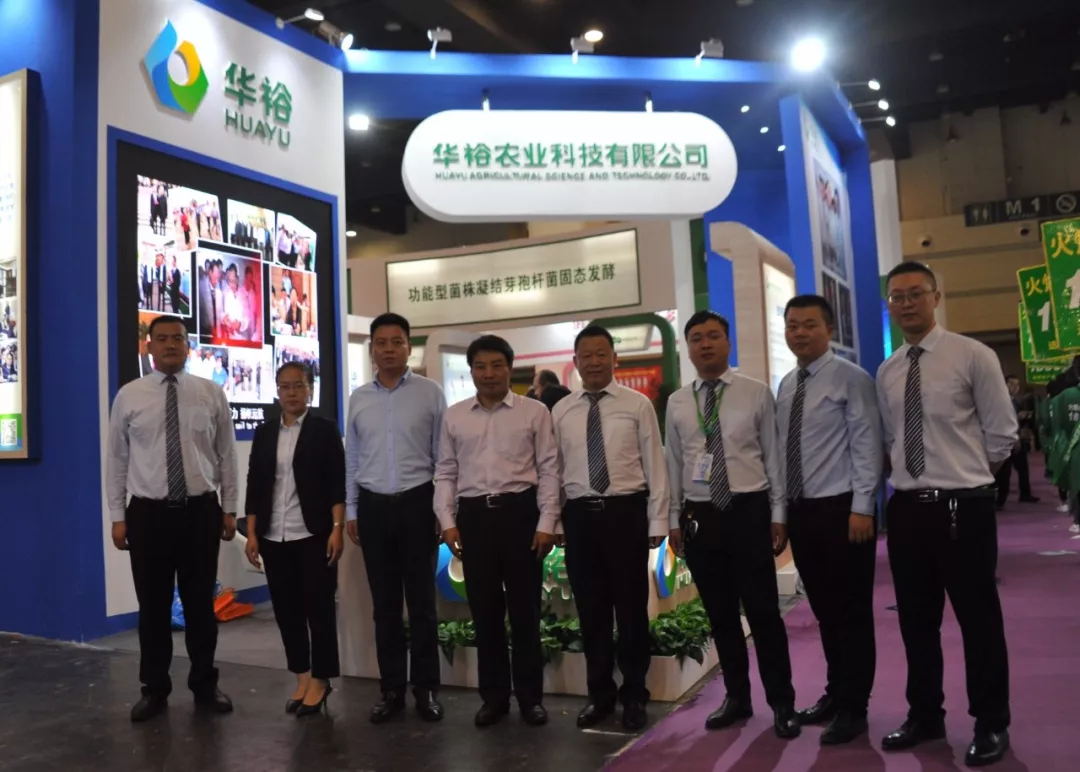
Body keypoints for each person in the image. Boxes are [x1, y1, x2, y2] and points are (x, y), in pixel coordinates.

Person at [876, 261, 1016, 766]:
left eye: (916, 293)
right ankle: (925, 714)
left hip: (963, 508)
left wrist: (967, 478)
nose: (906, 303)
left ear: (936, 297)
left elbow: (1002, 435)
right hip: (907, 510)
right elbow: (891, 440)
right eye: (897, 296)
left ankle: (991, 722)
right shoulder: (888, 371)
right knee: (916, 622)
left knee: (979, 621)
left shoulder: (972, 355)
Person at [665, 310, 800, 739]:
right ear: (688, 348)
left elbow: (774, 457)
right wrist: (672, 519)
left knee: (763, 613)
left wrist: (778, 514)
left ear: (728, 341)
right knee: (720, 614)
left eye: (713, 336)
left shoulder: (755, 393)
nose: (705, 344)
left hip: (748, 511)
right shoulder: (677, 401)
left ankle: (782, 702)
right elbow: (674, 463)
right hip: (700, 516)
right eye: (697, 338)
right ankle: (737, 698)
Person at [106, 315, 238, 722]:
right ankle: (154, 688)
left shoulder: (210, 393)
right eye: (161, 339)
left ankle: (205, 684)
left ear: (187, 345)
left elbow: (227, 455)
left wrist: (230, 508)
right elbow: (116, 459)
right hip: (147, 515)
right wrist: (117, 515)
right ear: (148, 346)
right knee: (153, 606)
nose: (169, 345)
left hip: (200, 511)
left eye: (177, 339)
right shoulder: (129, 396)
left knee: (200, 605)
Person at [434, 335, 559, 728]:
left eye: (496, 365)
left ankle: (530, 699)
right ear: (471, 371)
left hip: (521, 515)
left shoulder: (535, 412)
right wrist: (448, 521)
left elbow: (550, 469)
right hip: (474, 519)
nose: (488, 373)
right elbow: (445, 472)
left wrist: (547, 522)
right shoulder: (455, 416)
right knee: (485, 614)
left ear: (510, 368)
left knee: (525, 614)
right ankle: (494, 698)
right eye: (480, 367)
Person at [550, 325, 669, 732]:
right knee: (592, 611)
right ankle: (600, 694)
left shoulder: (637, 405)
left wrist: (658, 519)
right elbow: (555, 472)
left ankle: (634, 694)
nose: (594, 362)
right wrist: (556, 520)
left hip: (625, 513)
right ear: (576, 361)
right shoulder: (561, 411)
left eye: (602, 354)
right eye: (587, 355)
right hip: (580, 517)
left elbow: (655, 464)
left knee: (631, 610)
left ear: (614, 358)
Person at [776, 295, 882, 744]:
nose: (799, 333)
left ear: (830, 329)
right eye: (792, 325)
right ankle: (836, 694)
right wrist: (782, 514)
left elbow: (867, 443)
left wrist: (863, 506)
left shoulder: (852, 379)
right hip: (803, 512)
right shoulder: (787, 384)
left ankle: (855, 707)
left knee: (852, 613)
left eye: (809, 324)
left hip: (843, 511)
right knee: (824, 611)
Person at [345, 313, 447, 724]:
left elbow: (443, 458)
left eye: (397, 342)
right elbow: (353, 457)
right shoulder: (358, 398)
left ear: (409, 347)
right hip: (373, 508)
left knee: (421, 605)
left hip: (418, 503)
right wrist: (352, 509)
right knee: (384, 606)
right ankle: (391, 690)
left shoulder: (430, 393)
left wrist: (442, 509)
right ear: (372, 349)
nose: (389, 349)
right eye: (381, 343)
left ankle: (426, 690)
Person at [244, 362, 345, 717]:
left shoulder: (324, 430)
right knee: (287, 611)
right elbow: (255, 483)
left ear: (310, 390)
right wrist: (252, 532)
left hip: (313, 533)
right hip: (274, 534)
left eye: (298, 386)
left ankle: (322, 678)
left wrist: (337, 528)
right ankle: (302, 675)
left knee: (319, 609)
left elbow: (336, 482)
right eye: (285, 386)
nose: (291, 393)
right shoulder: (265, 432)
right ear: (277, 391)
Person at [994, 375, 1039, 507]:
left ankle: (1025, 494)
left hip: (1016, 437)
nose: (1015, 387)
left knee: (1023, 468)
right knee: (1004, 472)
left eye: (1017, 385)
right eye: (1012, 384)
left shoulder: (1016, 401)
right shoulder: (999, 400)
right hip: (1005, 440)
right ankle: (1000, 500)